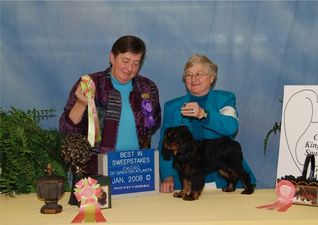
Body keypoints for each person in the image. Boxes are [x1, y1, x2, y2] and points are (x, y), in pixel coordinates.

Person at [158, 54, 256, 193]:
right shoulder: (172, 106)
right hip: (185, 181)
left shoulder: (225, 99)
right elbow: (164, 143)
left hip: (223, 180)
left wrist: (203, 114)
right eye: (189, 74)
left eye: (199, 74)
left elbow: (231, 127)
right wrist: (168, 176)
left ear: (212, 78)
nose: (193, 79)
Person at [60, 35, 161, 156]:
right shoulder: (89, 83)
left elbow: (153, 124)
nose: (129, 68)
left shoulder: (148, 87)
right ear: (112, 57)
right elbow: (67, 131)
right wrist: (81, 104)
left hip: (138, 166)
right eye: (125, 61)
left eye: (136, 63)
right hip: (96, 167)